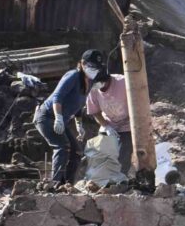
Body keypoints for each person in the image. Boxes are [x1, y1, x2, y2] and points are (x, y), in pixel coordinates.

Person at [36, 52, 109, 188]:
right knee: (62, 146)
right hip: (47, 117)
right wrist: (58, 117)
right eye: (91, 66)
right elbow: (58, 97)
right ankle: (55, 183)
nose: (94, 70)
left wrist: (79, 124)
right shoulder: (73, 76)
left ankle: (67, 184)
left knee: (76, 152)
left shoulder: (90, 82)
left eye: (97, 68)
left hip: (62, 120)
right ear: (82, 64)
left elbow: (78, 105)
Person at [89, 68, 133, 175]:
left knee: (123, 153)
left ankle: (119, 179)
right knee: (100, 152)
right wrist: (106, 126)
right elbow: (95, 111)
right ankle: (100, 179)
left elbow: (138, 102)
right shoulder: (93, 88)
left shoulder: (123, 82)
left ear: (106, 81)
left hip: (128, 124)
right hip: (108, 124)